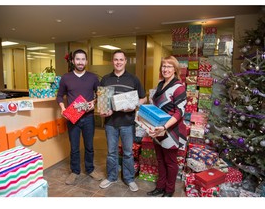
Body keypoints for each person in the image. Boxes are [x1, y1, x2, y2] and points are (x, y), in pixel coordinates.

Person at [98, 50, 147, 192]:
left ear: (125, 61)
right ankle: (111, 177)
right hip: (110, 123)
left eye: (121, 59)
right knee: (111, 152)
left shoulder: (133, 79)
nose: (118, 62)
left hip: (127, 122)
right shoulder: (105, 79)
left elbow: (143, 98)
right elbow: (102, 101)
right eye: (115, 59)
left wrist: (134, 104)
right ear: (112, 61)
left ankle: (129, 179)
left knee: (128, 153)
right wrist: (103, 111)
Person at [56, 49, 102, 185]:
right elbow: (59, 95)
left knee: (89, 146)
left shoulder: (93, 77)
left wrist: (93, 103)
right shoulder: (66, 78)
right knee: (74, 147)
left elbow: (100, 94)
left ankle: (90, 169)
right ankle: (75, 171)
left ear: (86, 61)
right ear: (73, 61)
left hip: (88, 118)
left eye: (83, 59)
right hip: (72, 118)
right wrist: (63, 108)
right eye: (78, 59)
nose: (80, 62)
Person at [147, 55, 187, 197]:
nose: (166, 69)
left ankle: (169, 190)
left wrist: (164, 127)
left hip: (171, 130)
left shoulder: (179, 87)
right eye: (164, 66)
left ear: (175, 69)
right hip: (158, 129)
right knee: (160, 160)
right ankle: (160, 186)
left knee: (170, 162)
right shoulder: (160, 84)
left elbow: (180, 112)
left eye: (169, 66)